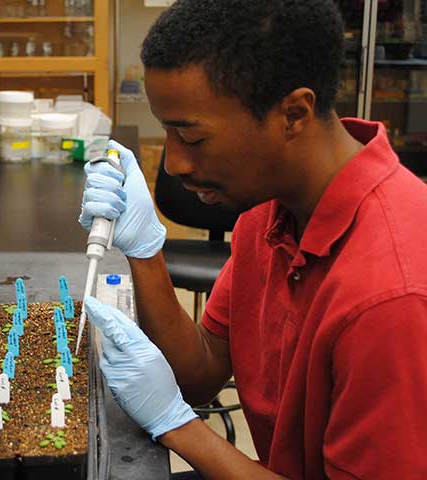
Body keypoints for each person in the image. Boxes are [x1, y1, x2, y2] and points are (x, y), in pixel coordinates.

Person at [78, 0, 427, 479]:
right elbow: (199, 372)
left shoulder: (391, 296)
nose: (175, 165)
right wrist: (144, 250)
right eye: (168, 133)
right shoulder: (268, 212)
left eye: (193, 138)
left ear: (293, 114)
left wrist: (177, 426)